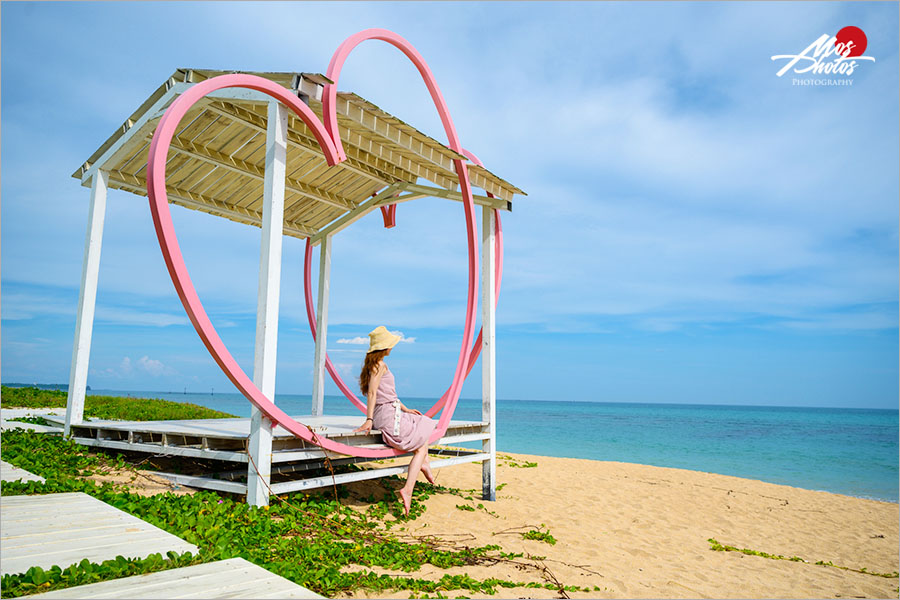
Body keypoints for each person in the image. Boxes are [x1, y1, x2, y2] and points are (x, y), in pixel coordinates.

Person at [353, 325, 436, 515]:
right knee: (422, 444)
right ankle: (408, 489)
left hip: (391, 411)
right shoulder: (379, 365)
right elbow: (373, 393)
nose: (392, 347)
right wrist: (369, 419)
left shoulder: (374, 365)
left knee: (421, 422)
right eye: (390, 344)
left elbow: (386, 394)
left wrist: (405, 408)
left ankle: (423, 464)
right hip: (387, 416)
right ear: (384, 347)